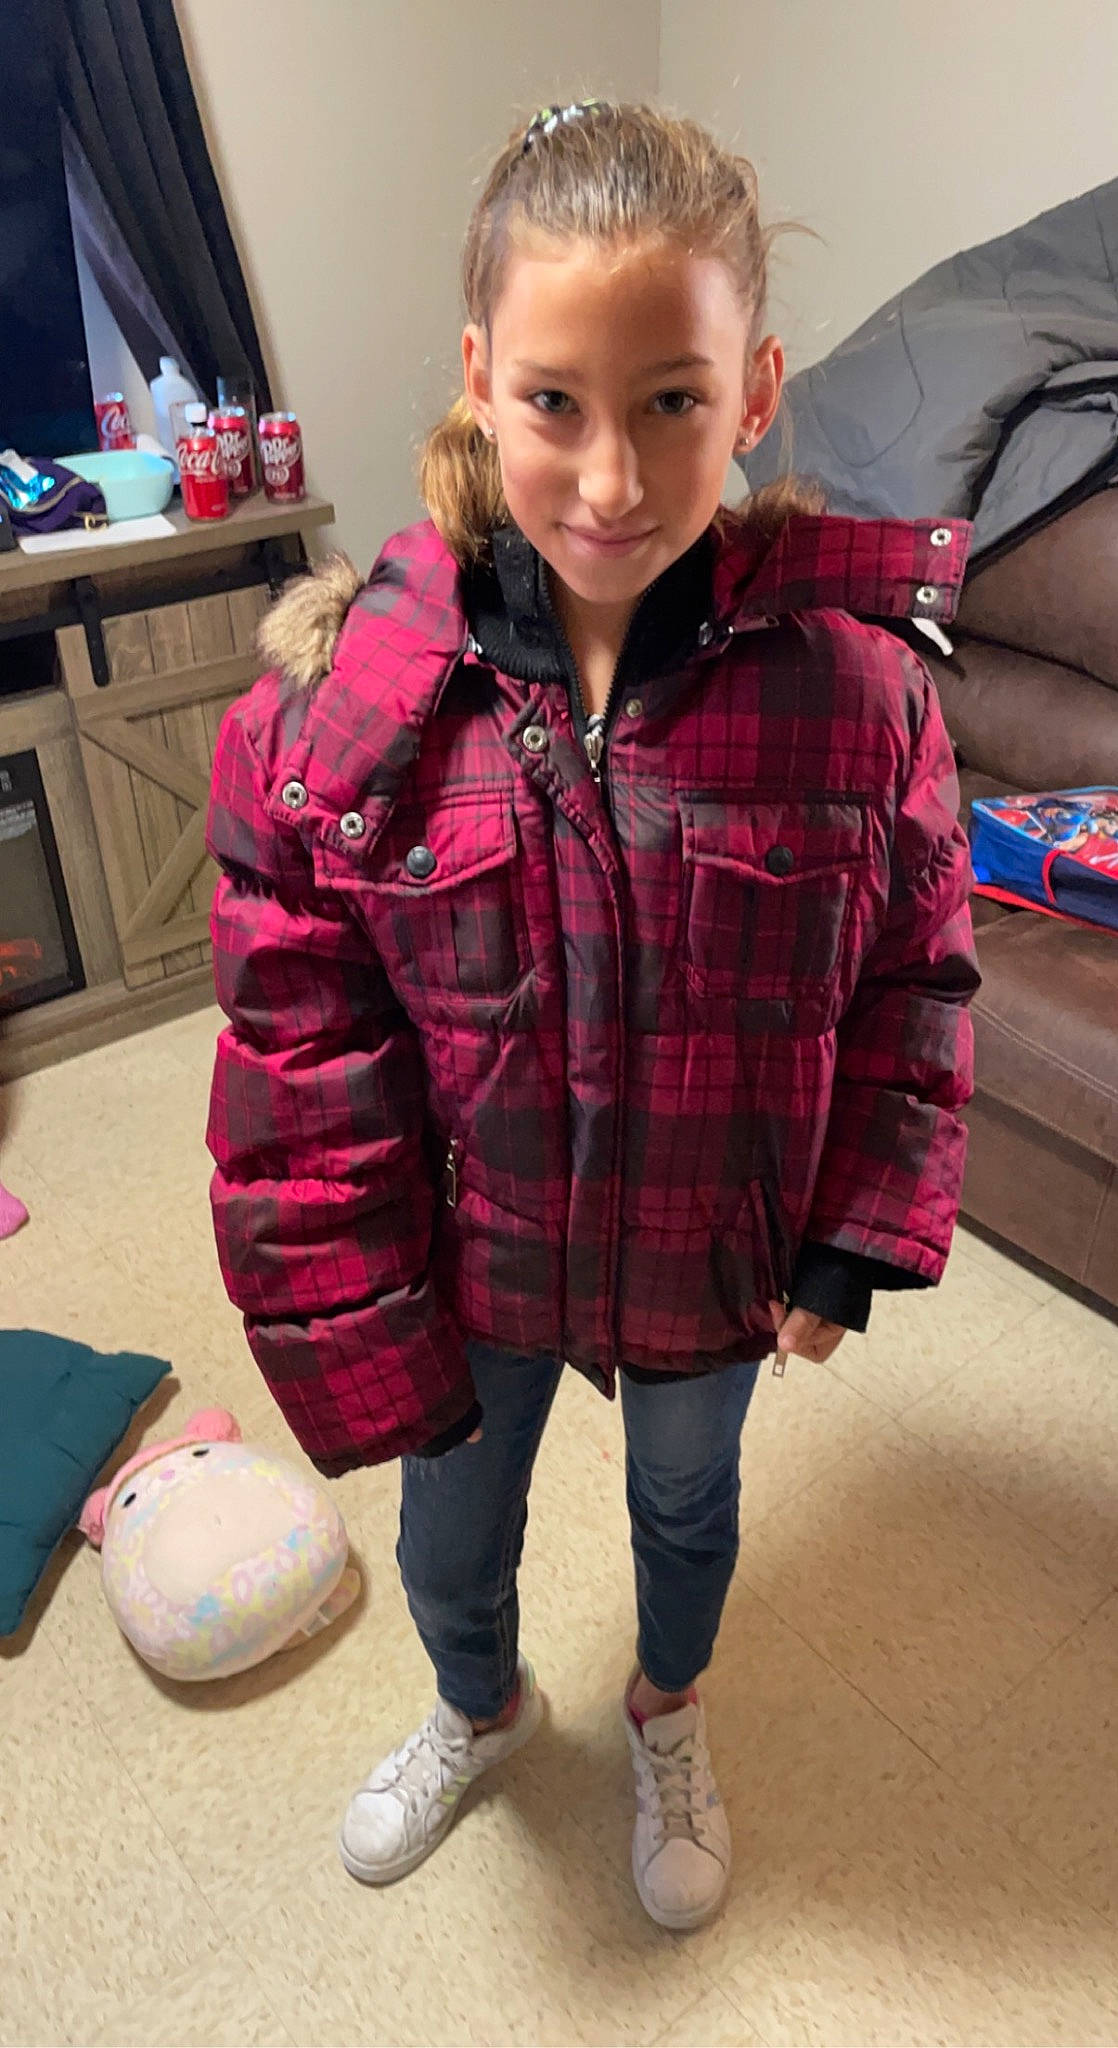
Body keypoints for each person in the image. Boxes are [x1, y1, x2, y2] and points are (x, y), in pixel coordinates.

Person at [206, 100, 979, 1932]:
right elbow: (301, 1060)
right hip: (478, 1261)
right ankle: (480, 1709)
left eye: (671, 401)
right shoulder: (344, 719)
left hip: (712, 1253)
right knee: (450, 1536)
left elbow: (912, 975)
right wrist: (362, 1306)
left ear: (756, 385)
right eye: (556, 401)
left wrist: (855, 1237)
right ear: (480, 377)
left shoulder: (858, 703)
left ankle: (665, 1709)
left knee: (686, 1517)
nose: (614, 478)